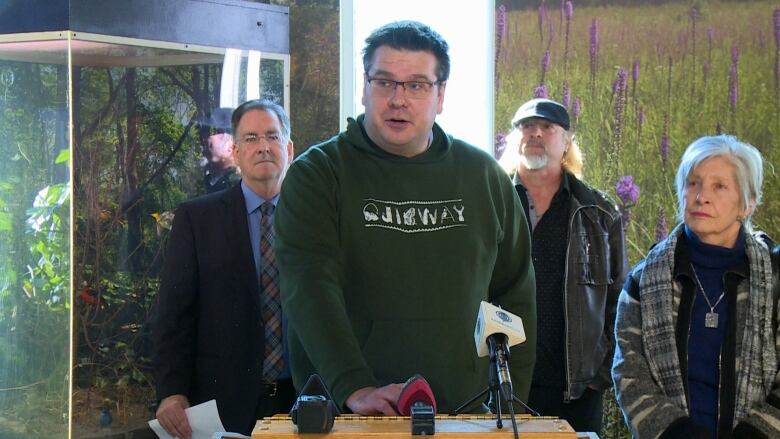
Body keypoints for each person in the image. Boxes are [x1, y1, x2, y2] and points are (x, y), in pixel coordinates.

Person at [274, 21, 536, 415]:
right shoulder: (318, 174)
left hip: (463, 417)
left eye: (417, 84)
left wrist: (509, 401)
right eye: (384, 82)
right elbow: (309, 288)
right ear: (364, 88)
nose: (398, 99)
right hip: (353, 416)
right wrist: (353, 386)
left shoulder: (483, 177)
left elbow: (514, 294)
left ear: (441, 94)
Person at [612, 134, 780, 438]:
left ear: (748, 203)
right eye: (693, 183)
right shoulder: (644, 280)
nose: (702, 196)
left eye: (719, 186)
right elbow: (630, 375)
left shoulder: (776, 278)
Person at [152, 99, 296, 437]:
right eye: (250, 138)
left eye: (272, 137)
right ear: (233, 151)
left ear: (289, 148)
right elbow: (174, 315)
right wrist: (171, 391)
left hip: (303, 398)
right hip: (221, 404)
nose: (263, 147)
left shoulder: (317, 217)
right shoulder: (197, 219)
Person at [498, 98, 627, 433]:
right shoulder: (492, 202)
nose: (535, 134)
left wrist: (598, 376)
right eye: (527, 126)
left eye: (547, 127)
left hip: (575, 390)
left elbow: (619, 300)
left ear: (567, 141)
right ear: (516, 137)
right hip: (502, 381)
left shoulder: (597, 212)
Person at [198, 107, 240, 193]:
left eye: (216, 131)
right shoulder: (205, 182)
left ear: (231, 147)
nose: (208, 137)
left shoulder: (238, 184)